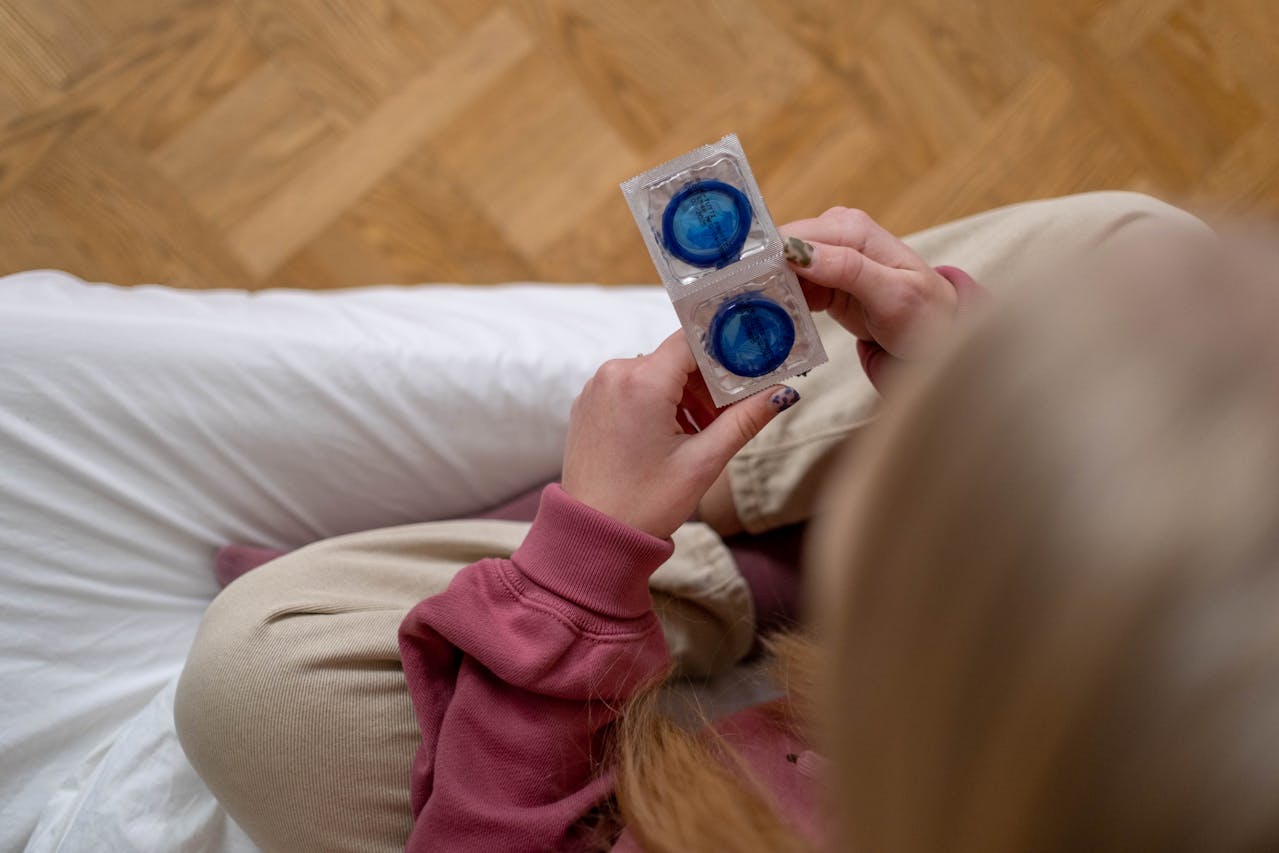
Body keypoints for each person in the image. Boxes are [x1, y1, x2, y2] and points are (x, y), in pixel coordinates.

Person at [176, 191, 1255, 851]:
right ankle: (743, 550)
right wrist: (973, 385)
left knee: (259, 684)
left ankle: (684, 558)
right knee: (1141, 249)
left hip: (637, 778)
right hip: (937, 671)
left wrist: (581, 565)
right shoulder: (1178, 713)